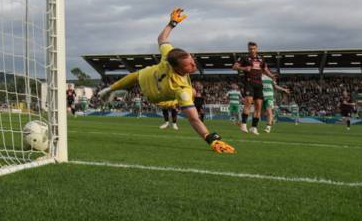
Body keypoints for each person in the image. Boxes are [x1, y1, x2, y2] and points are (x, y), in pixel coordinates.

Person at [97, 8, 235, 153]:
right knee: (190, 93)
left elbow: (162, 39)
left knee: (137, 74)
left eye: (192, 60)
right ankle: (171, 119)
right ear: (177, 67)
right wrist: (210, 139)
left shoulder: (168, 56)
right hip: (154, 96)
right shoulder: (181, 89)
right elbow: (194, 119)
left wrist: (172, 23)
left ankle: (110, 89)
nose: (194, 65)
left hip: (147, 76)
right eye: (189, 64)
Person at [232, 41, 274, 135]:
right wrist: (243, 68)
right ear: (248, 49)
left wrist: (272, 76)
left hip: (259, 84)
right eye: (250, 49)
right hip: (249, 83)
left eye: (254, 48)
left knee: (258, 107)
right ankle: (243, 124)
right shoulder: (244, 58)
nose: (252, 50)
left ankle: (254, 127)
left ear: (257, 48)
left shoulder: (261, 59)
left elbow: (265, 69)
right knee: (248, 103)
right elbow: (234, 67)